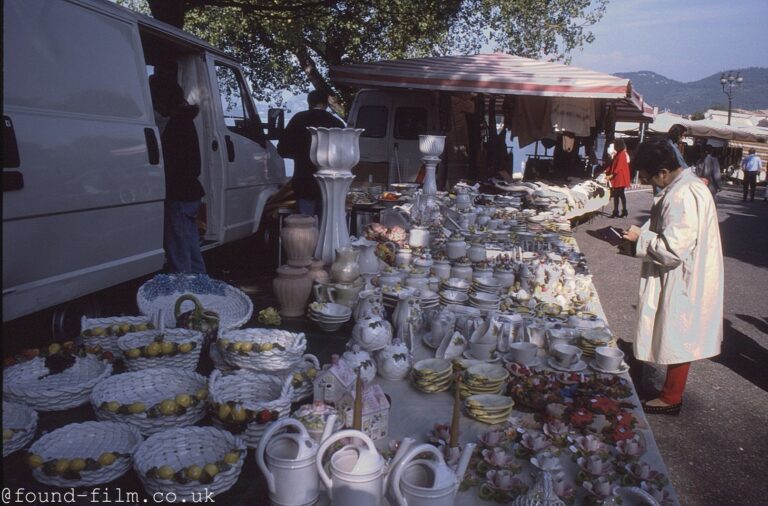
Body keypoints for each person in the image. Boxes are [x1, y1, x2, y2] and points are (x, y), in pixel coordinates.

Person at [621, 138, 723, 415]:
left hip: (681, 273)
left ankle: (670, 398)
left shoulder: (682, 194)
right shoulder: (687, 187)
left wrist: (640, 237)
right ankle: (671, 393)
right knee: (679, 331)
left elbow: (672, 248)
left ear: (663, 172)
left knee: (677, 331)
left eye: (648, 177)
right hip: (687, 270)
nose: (648, 182)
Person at [150, 62, 206, 274]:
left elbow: (174, 165)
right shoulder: (185, 121)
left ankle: (185, 295)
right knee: (191, 249)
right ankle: (201, 288)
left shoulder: (176, 125)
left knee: (179, 252)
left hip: (180, 195)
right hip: (190, 193)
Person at [278, 89, 345, 216]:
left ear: (309, 103)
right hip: (329, 182)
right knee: (326, 224)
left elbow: (283, 149)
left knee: (305, 225)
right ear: (326, 104)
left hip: (304, 180)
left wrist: (300, 155)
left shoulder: (298, 119)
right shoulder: (337, 123)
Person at [604, 138, 631, 217]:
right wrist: (606, 171)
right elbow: (612, 164)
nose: (615, 146)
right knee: (619, 195)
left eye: (616, 145)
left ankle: (618, 211)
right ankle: (621, 211)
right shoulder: (618, 153)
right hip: (618, 177)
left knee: (618, 194)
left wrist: (611, 175)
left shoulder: (622, 154)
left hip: (620, 177)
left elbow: (618, 167)